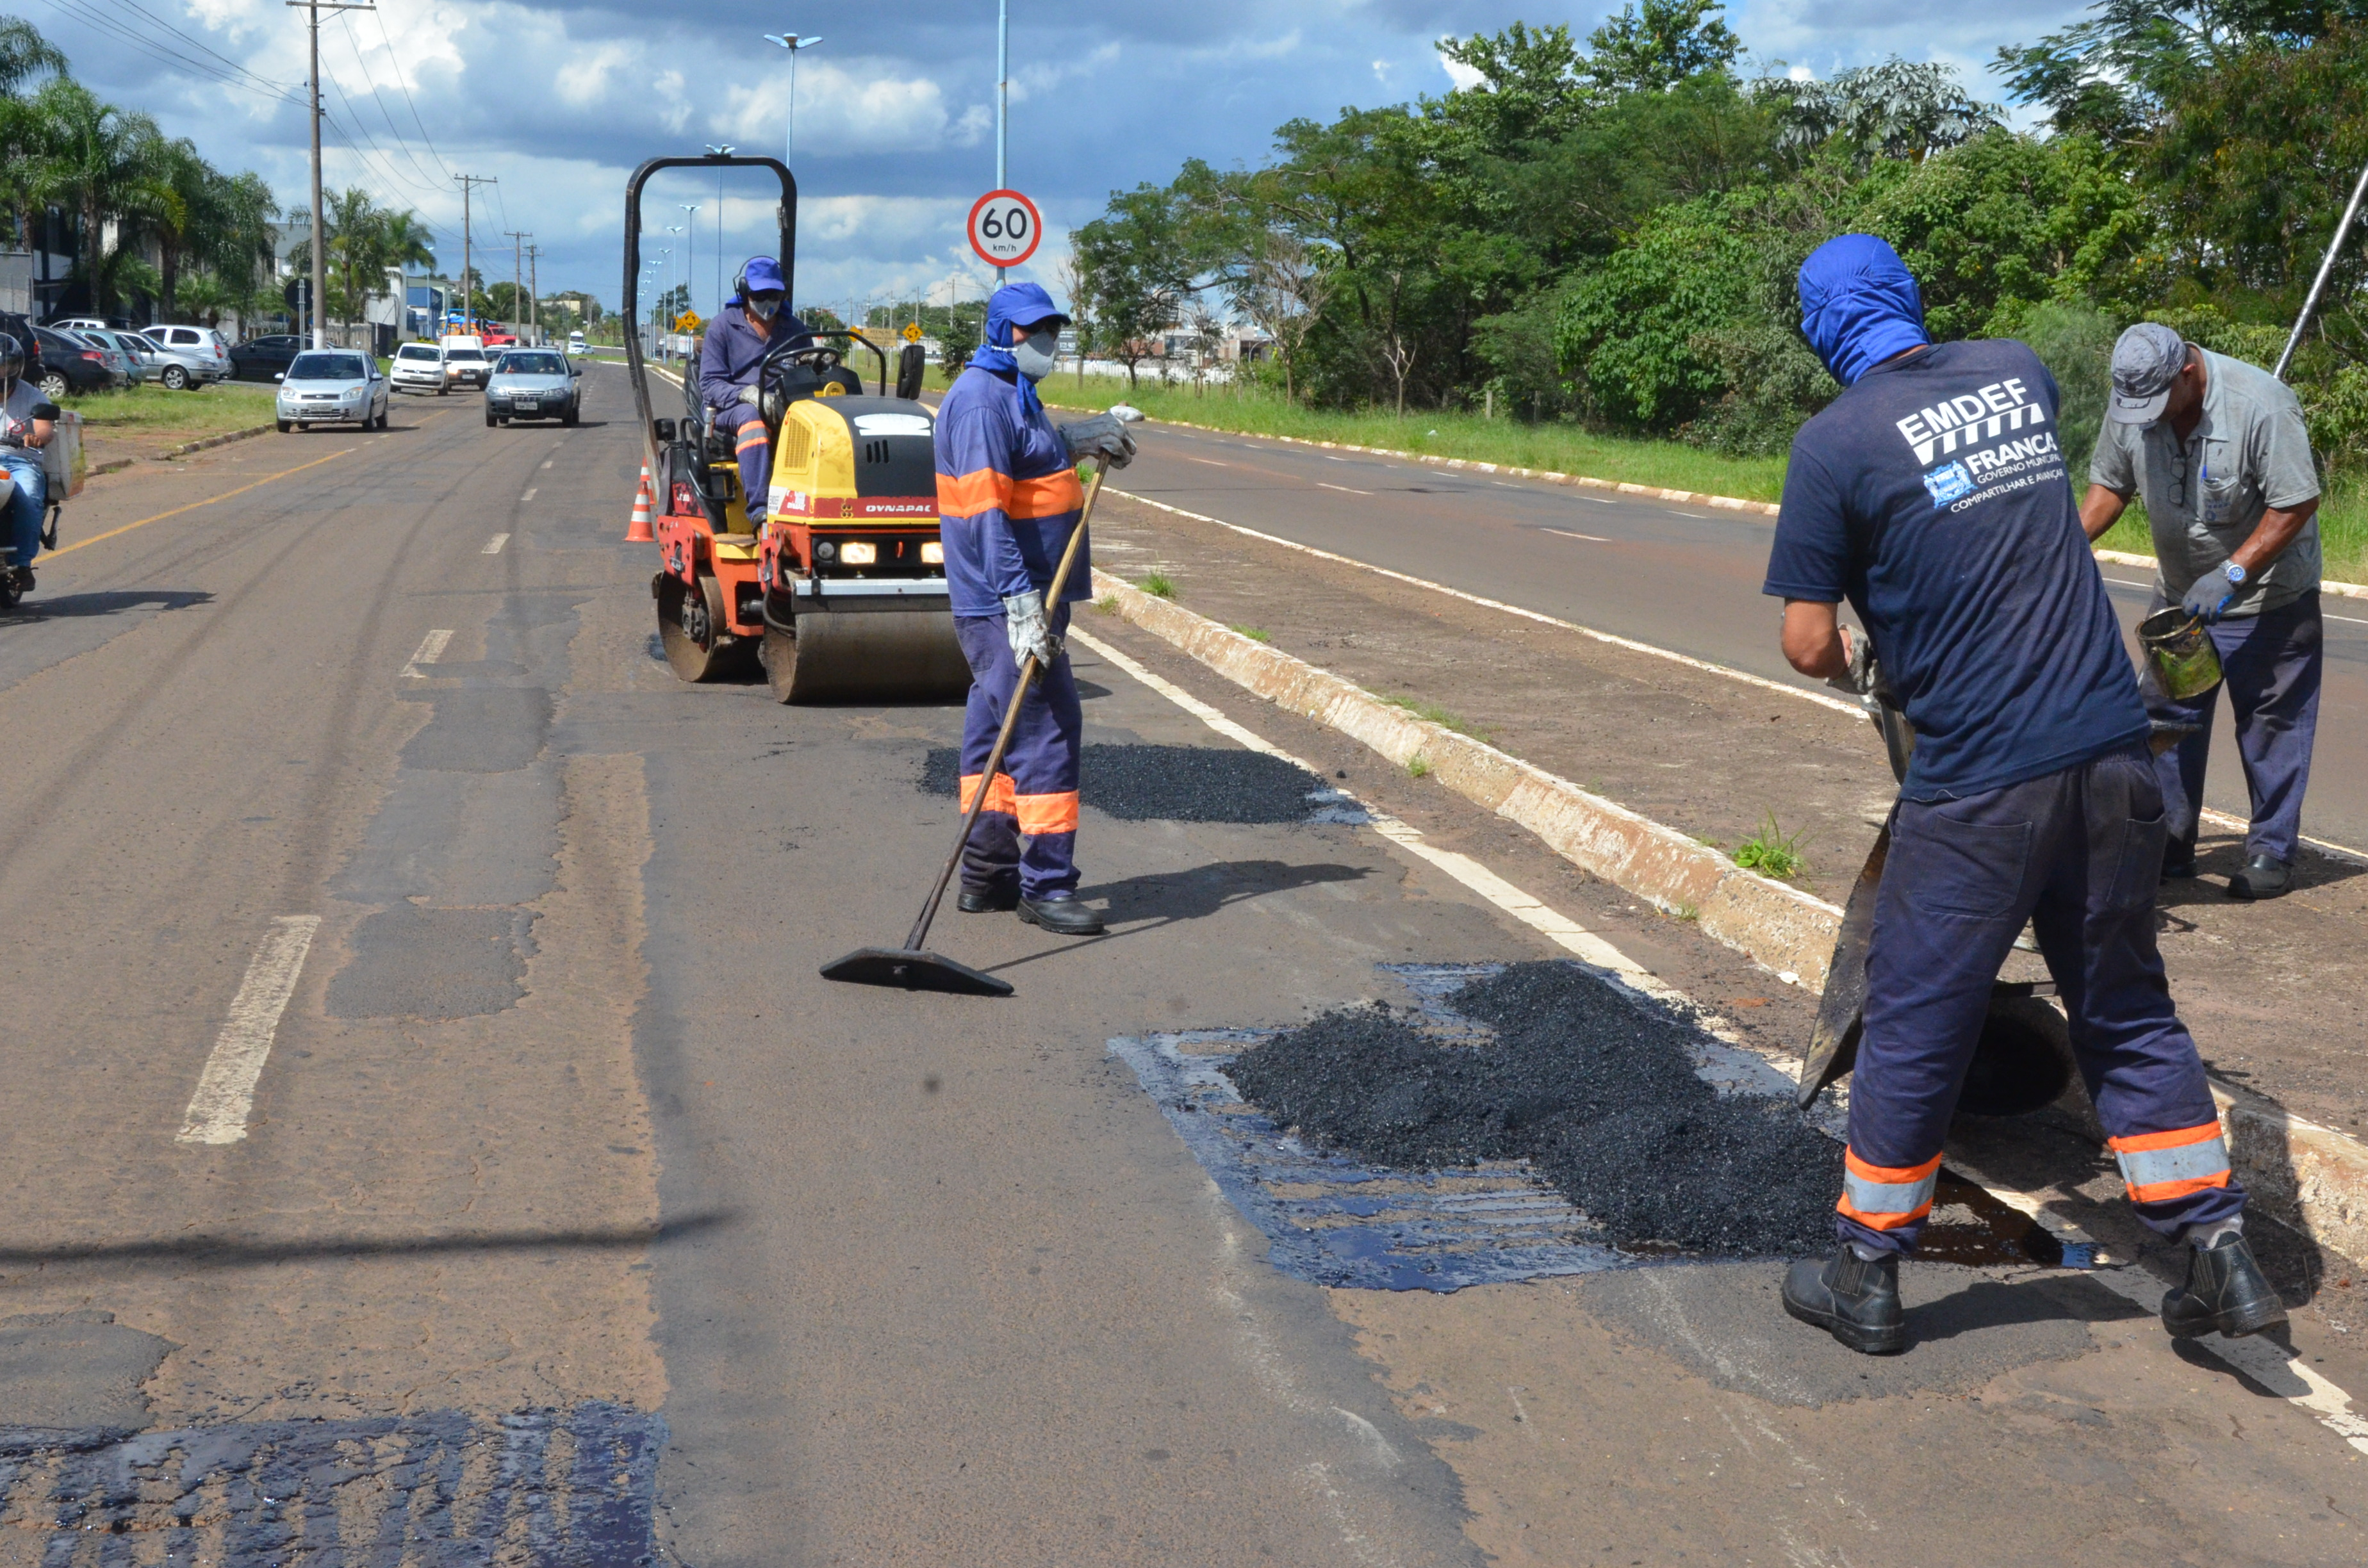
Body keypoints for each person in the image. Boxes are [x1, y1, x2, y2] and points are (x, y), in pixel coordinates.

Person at [1763, 235, 2279, 1356]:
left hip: (1982, 785)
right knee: (2127, 1006)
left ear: (1818, 332)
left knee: (1914, 1015)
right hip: (2111, 754)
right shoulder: (2013, 370)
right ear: (1908, 296)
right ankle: (2217, 1248)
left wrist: (1856, 636)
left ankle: (1865, 1268)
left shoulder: (1830, 444)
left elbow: (1807, 638)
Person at [2081, 323, 2324, 900]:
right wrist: (2063, 547)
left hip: (2270, 602)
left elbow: (2297, 500)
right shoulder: (2134, 403)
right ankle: (2171, 839)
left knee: (2272, 725)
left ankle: (2270, 851)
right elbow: (2110, 487)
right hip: (2179, 600)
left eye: (2157, 403)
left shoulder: (2260, 404)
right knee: (2168, 720)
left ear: (2186, 374)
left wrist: (2233, 572)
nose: (2146, 417)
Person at [933, 281, 1136, 936]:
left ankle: (988, 876)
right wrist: (1020, 604)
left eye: (1049, 329)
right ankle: (1046, 885)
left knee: (996, 732)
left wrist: (1084, 438)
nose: (1042, 340)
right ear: (999, 332)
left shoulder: (1013, 393)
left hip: (1025, 598)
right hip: (1006, 602)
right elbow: (985, 516)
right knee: (1047, 729)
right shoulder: (980, 405)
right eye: (1030, 330)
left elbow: (1034, 457)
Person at [696, 256, 812, 530]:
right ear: (746, 293)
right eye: (761, 295)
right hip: (730, 409)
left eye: (774, 294)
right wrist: (748, 394)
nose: (768, 301)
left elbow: (808, 373)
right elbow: (711, 384)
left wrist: (818, 366)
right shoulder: (722, 327)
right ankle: (760, 510)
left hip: (782, 407)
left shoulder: (795, 329)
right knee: (751, 418)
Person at [0, 332, 56, 592]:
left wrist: (36, 438)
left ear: (15, 367)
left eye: (4, 365)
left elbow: (46, 429)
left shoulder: (33, 396)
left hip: (20, 461)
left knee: (29, 495)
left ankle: (22, 565)